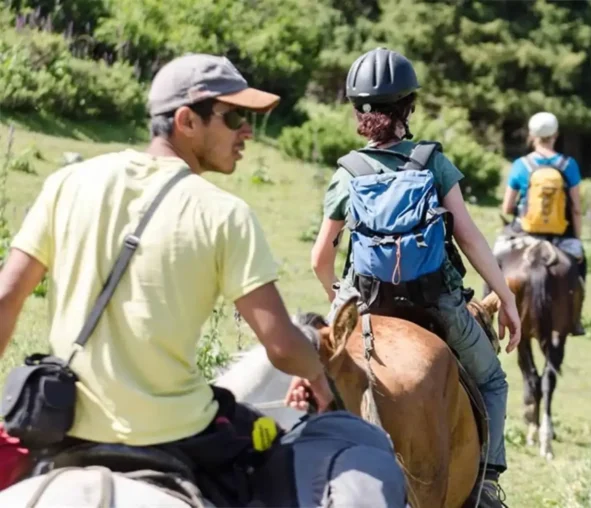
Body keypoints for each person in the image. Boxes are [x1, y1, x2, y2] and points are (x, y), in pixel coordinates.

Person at [0, 53, 407, 507]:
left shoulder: (67, 183)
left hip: (59, 422)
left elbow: (5, 300)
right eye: (233, 117)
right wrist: (316, 375)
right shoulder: (222, 214)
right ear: (185, 120)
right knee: (351, 448)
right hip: (175, 434)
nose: (247, 132)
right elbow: (278, 344)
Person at [310, 47, 522, 507]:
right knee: (492, 382)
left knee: (314, 372)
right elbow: (469, 239)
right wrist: (503, 296)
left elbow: (319, 257)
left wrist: (339, 300)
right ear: (408, 107)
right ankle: (485, 487)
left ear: (357, 111)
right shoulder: (432, 162)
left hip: (364, 300)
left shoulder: (348, 171)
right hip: (436, 300)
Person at [498, 111, 585, 334]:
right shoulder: (569, 165)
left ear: (532, 135)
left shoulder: (521, 164)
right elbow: (576, 207)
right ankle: (575, 318)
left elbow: (507, 208)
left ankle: (486, 309)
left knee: (496, 257)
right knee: (581, 265)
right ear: (555, 135)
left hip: (525, 232)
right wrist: (577, 237)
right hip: (560, 234)